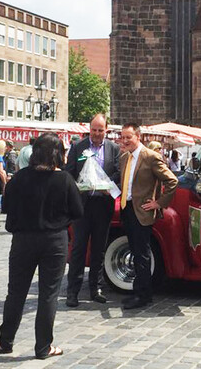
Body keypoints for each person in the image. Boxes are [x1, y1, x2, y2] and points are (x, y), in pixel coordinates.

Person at [0, 133, 83, 359]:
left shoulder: (19, 178)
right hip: (54, 240)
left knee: (16, 292)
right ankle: (43, 346)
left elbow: (7, 206)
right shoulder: (65, 180)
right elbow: (78, 211)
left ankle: (5, 340)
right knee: (48, 294)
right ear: (59, 154)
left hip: (23, 240)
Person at [119, 123, 178, 309]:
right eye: (123, 137)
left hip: (142, 212)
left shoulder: (150, 157)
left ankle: (143, 295)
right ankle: (141, 291)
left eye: (129, 137)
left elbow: (172, 181)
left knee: (142, 254)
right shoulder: (124, 158)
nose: (125, 140)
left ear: (138, 136)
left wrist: (158, 203)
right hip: (126, 209)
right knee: (135, 252)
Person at [65, 114, 120, 307]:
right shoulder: (78, 147)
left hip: (102, 205)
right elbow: (69, 172)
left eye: (100, 130)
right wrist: (77, 187)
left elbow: (118, 173)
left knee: (99, 248)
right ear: (89, 129)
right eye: (93, 130)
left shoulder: (114, 149)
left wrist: (109, 185)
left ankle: (96, 288)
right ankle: (73, 291)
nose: (96, 134)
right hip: (82, 206)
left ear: (107, 130)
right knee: (79, 248)